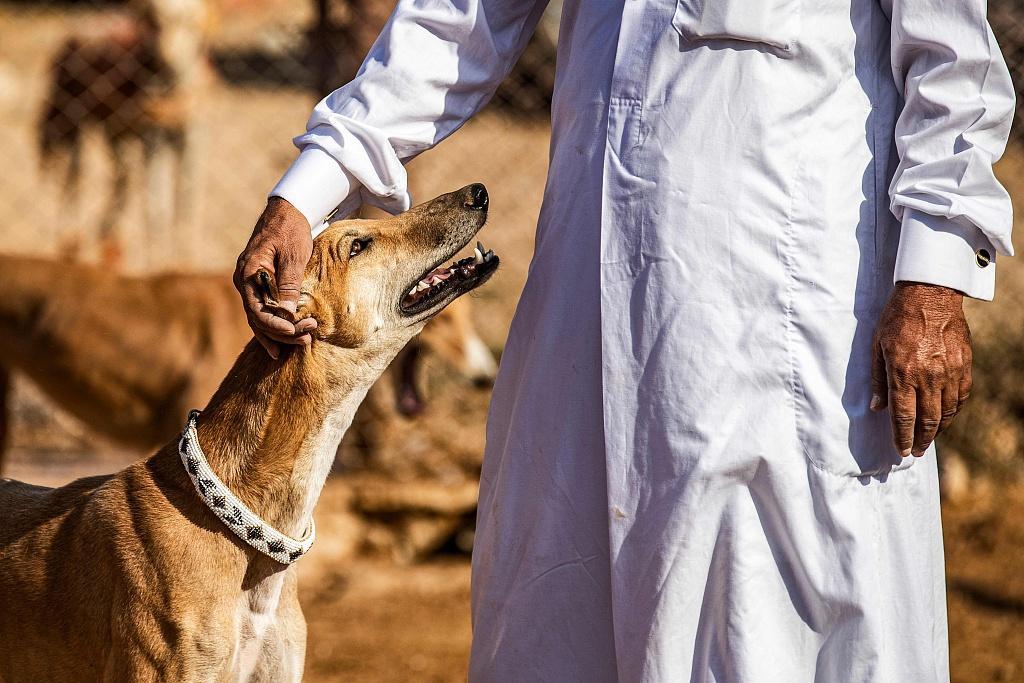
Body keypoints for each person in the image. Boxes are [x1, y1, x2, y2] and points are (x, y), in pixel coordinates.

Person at [235, 1, 1014, 679]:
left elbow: (953, 64)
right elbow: (458, 19)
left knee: (771, 619)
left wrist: (934, 278)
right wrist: (313, 186)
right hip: (585, 307)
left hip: (791, 323)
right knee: (562, 613)